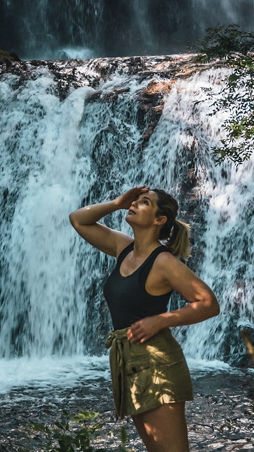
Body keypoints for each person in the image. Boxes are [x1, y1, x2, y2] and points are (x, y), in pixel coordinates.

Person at [69, 185, 220, 452]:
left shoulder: (164, 262)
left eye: (144, 202)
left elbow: (208, 303)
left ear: (159, 220)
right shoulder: (123, 248)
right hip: (128, 361)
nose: (135, 204)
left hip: (158, 363)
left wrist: (161, 320)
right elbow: (78, 219)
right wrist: (117, 202)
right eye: (135, 201)